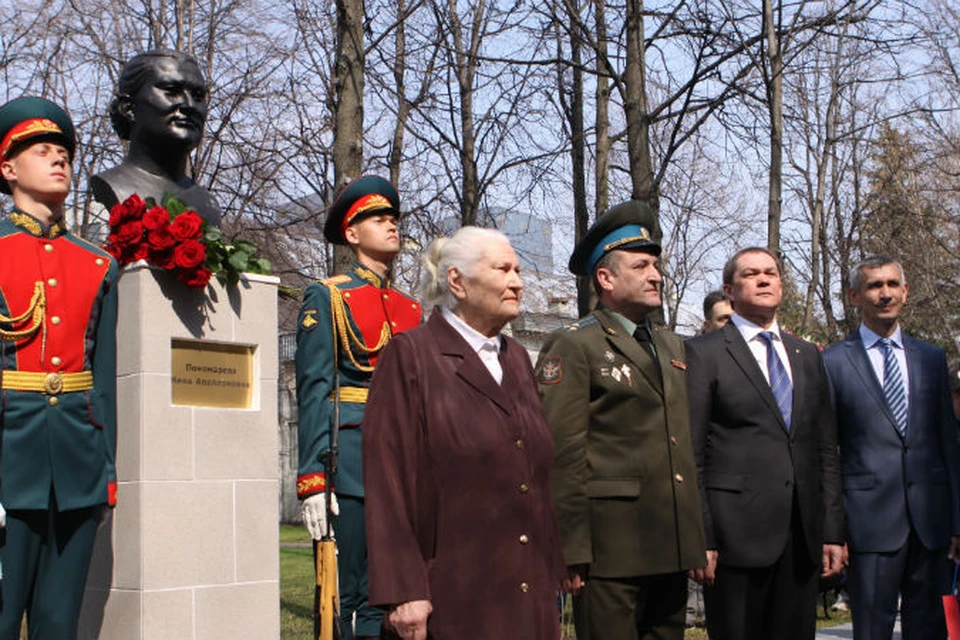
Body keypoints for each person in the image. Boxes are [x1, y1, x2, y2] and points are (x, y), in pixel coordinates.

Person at [362, 226, 565, 640]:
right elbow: (387, 480)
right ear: (457, 281)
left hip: (528, 597)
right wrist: (404, 591)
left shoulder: (517, 361)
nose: (518, 282)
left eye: (519, 270)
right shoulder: (412, 356)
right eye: (503, 269)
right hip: (455, 600)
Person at [536, 200, 706, 640]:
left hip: (668, 545)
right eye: (641, 266)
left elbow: (678, 445)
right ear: (606, 278)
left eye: (656, 265)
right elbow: (562, 452)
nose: (656, 275)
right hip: (610, 551)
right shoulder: (575, 345)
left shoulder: (672, 346)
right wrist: (570, 548)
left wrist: (693, 538)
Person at [0, 96, 118, 639]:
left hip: (77, 465)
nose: (59, 160)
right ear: (8, 169)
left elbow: (106, 379)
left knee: (58, 625)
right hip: (9, 459)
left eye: (64, 152)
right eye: (43, 151)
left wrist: (106, 473)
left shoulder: (97, 263)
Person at [685, 247, 844, 640]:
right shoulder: (704, 353)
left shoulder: (806, 355)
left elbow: (825, 448)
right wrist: (700, 537)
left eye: (771, 273)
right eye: (751, 273)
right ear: (729, 289)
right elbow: (691, 452)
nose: (764, 279)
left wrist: (832, 530)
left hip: (801, 536)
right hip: (734, 537)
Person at [295, 175, 420, 640]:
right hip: (348, 461)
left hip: (402, 465)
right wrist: (312, 478)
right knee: (344, 599)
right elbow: (313, 390)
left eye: (393, 218)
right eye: (378, 218)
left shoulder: (410, 310)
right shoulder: (327, 296)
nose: (391, 225)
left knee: (392, 594)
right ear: (352, 234)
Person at [822, 256, 960, 640]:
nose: (885, 294)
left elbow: (948, 445)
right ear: (854, 296)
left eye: (892, 284)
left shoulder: (931, 359)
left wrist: (956, 520)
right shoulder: (834, 362)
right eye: (873, 286)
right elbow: (826, 455)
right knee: (873, 630)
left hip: (929, 525)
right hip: (868, 525)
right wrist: (834, 531)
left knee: (929, 629)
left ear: (905, 291)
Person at [90, 49, 221, 226]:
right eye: (171, 91)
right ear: (128, 108)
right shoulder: (114, 186)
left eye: (198, 96)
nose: (190, 105)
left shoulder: (207, 204)